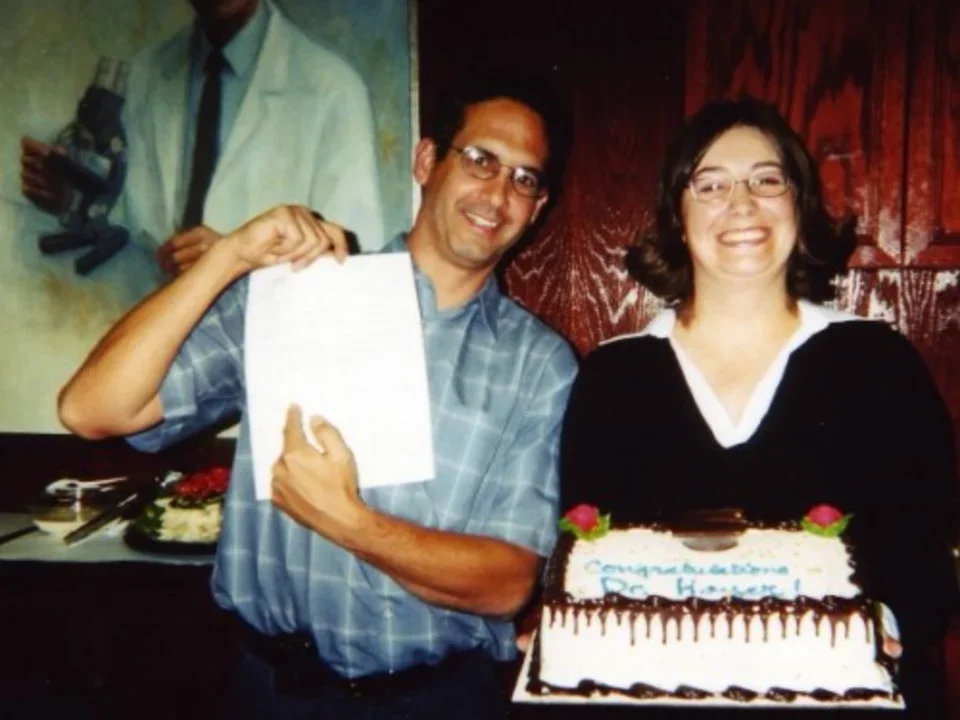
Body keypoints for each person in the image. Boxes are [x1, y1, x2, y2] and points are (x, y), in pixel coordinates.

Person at [57, 75, 578, 719]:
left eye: (524, 179)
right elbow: (92, 409)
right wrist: (232, 258)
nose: (498, 194)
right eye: (479, 160)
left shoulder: (540, 363)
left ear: (539, 205)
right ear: (426, 161)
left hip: (441, 700)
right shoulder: (293, 294)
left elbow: (506, 584)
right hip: (272, 693)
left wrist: (346, 520)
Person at [559, 98, 957, 718]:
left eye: (766, 180)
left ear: (799, 201)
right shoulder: (614, 375)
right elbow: (588, 554)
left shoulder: (878, 362)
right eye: (710, 184)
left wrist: (878, 622)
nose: (741, 205)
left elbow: (927, 553)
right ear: (676, 215)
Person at [21, 0, 384, 281]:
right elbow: (134, 229)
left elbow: (352, 268)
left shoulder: (335, 91)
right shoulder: (147, 74)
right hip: (155, 343)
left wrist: (236, 261)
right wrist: (74, 201)